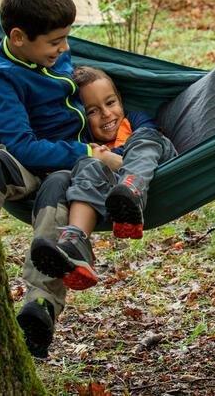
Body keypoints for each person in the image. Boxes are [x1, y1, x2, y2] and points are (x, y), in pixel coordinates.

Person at [0, 0, 120, 358]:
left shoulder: (53, 55)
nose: (65, 48)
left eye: (66, 38)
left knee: (58, 183)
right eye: (56, 42)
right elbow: (22, 146)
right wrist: (84, 153)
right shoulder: (1, 79)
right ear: (20, 37)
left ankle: (41, 305)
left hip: (66, 176)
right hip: (37, 163)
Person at [28, 65, 178, 289]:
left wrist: (109, 158)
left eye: (110, 103)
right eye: (92, 111)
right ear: (80, 117)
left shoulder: (136, 120)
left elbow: (147, 143)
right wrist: (100, 160)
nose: (106, 114)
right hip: (111, 192)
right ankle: (76, 241)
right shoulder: (86, 145)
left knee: (144, 138)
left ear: (120, 100)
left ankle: (132, 192)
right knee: (87, 165)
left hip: (154, 168)